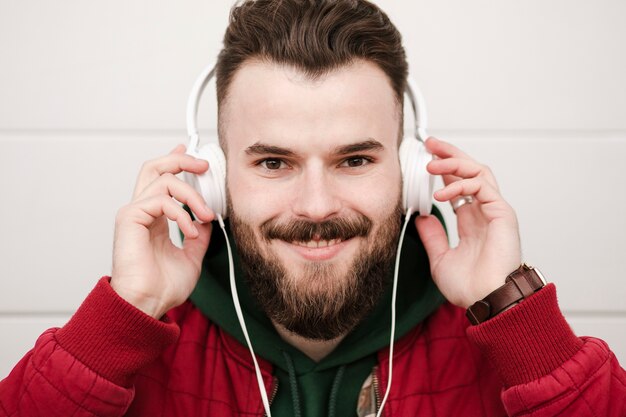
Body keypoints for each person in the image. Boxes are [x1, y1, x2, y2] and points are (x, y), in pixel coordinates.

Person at [1, 1, 625, 416]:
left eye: (355, 160)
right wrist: (125, 314)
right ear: (214, 179)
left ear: (410, 175)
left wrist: (515, 318)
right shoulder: (144, 344)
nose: (317, 206)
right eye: (273, 163)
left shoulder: (497, 345)